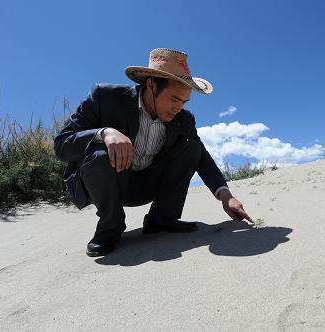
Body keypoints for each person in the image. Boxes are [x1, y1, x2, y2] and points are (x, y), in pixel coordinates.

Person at [54, 48, 253, 257]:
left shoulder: (183, 119)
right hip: (110, 184)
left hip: (148, 184)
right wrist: (104, 133)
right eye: (174, 99)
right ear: (151, 85)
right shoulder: (105, 97)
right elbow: (62, 145)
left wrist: (226, 196)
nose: (178, 108)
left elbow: (202, 157)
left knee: (192, 148)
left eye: (184, 102)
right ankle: (110, 226)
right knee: (98, 153)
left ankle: (161, 219)